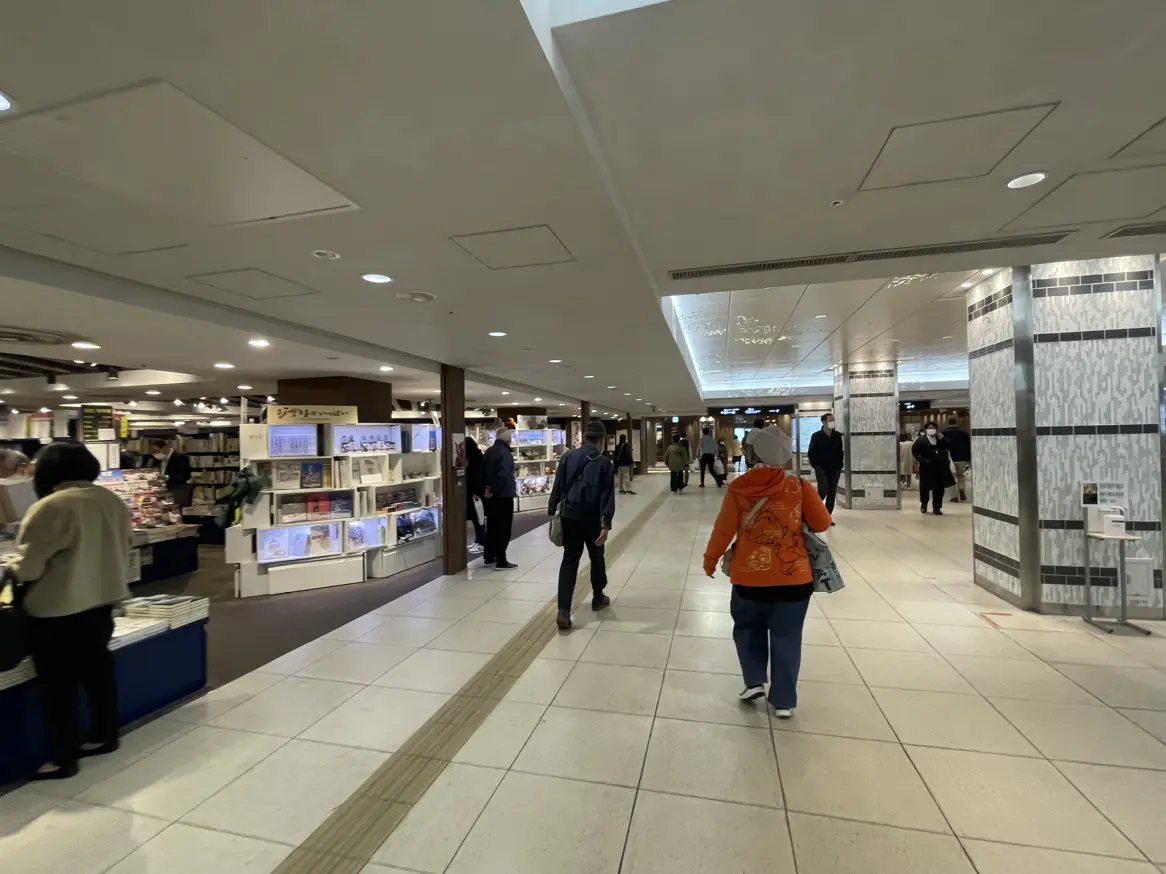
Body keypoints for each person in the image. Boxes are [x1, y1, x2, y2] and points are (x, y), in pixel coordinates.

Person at [6, 441, 132, 779]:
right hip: (102, 602)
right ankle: (105, 735)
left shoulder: (51, 506)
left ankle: (63, 758)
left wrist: (11, 569)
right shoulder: (111, 500)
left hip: (57, 609)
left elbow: (30, 566)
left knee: (58, 687)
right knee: (98, 673)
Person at [702, 427, 831, 718]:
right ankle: (784, 701)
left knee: (747, 629)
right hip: (794, 579)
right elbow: (822, 523)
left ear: (752, 453)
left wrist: (711, 560)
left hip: (749, 578)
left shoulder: (739, 487)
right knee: (787, 637)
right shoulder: (799, 486)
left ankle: (754, 682)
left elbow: (723, 529)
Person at [549, 420, 616, 629]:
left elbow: (558, 486)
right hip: (592, 519)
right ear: (601, 440)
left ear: (584, 437)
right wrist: (605, 524)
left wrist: (552, 511)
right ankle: (598, 597)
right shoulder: (604, 463)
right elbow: (607, 496)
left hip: (569, 516)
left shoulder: (568, 456)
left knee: (570, 559)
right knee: (597, 557)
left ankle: (563, 610)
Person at [481, 428, 517, 569]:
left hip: (490, 496)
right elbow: (504, 474)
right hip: (504, 495)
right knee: (504, 528)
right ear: (508, 439)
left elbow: (482, 472)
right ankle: (501, 560)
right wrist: (494, 489)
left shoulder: (489, 451)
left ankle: (489, 556)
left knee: (492, 526)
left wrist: (487, 489)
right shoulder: (505, 453)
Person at [913, 422, 955, 515]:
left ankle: (937, 507)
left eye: (933, 428)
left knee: (939, 488)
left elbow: (950, 447)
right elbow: (915, 452)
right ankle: (924, 504)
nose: (931, 430)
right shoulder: (920, 440)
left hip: (940, 467)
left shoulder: (940, 439)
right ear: (926, 429)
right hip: (927, 468)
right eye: (929, 428)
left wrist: (943, 438)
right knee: (925, 488)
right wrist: (922, 460)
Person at [806, 413, 843, 518]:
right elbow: (811, 452)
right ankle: (812, 511)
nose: (832, 422)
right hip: (821, 467)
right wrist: (815, 465)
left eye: (833, 420)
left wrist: (840, 464)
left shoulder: (837, 435)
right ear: (824, 422)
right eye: (830, 420)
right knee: (823, 490)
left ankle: (826, 517)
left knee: (832, 493)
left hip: (835, 468)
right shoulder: (816, 436)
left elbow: (840, 451)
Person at [145, 438, 192, 510]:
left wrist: (166, 477)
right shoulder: (159, 459)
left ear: (165, 448)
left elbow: (185, 476)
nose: (154, 454)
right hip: (164, 492)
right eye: (152, 452)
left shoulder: (181, 457)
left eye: (156, 451)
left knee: (176, 513)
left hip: (176, 491)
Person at [464, 437, 487, 555]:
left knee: (478, 517)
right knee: (476, 517)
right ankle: (478, 540)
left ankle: (481, 542)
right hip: (474, 492)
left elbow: (477, 477)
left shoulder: (476, 459)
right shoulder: (476, 457)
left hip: (476, 493)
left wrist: (476, 491)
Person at [943, 416, 971, 503]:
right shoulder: (964, 433)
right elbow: (968, 446)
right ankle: (961, 489)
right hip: (962, 458)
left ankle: (954, 496)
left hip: (949, 459)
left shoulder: (944, 433)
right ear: (956, 422)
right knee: (961, 475)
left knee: (951, 478)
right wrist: (969, 459)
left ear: (948, 422)